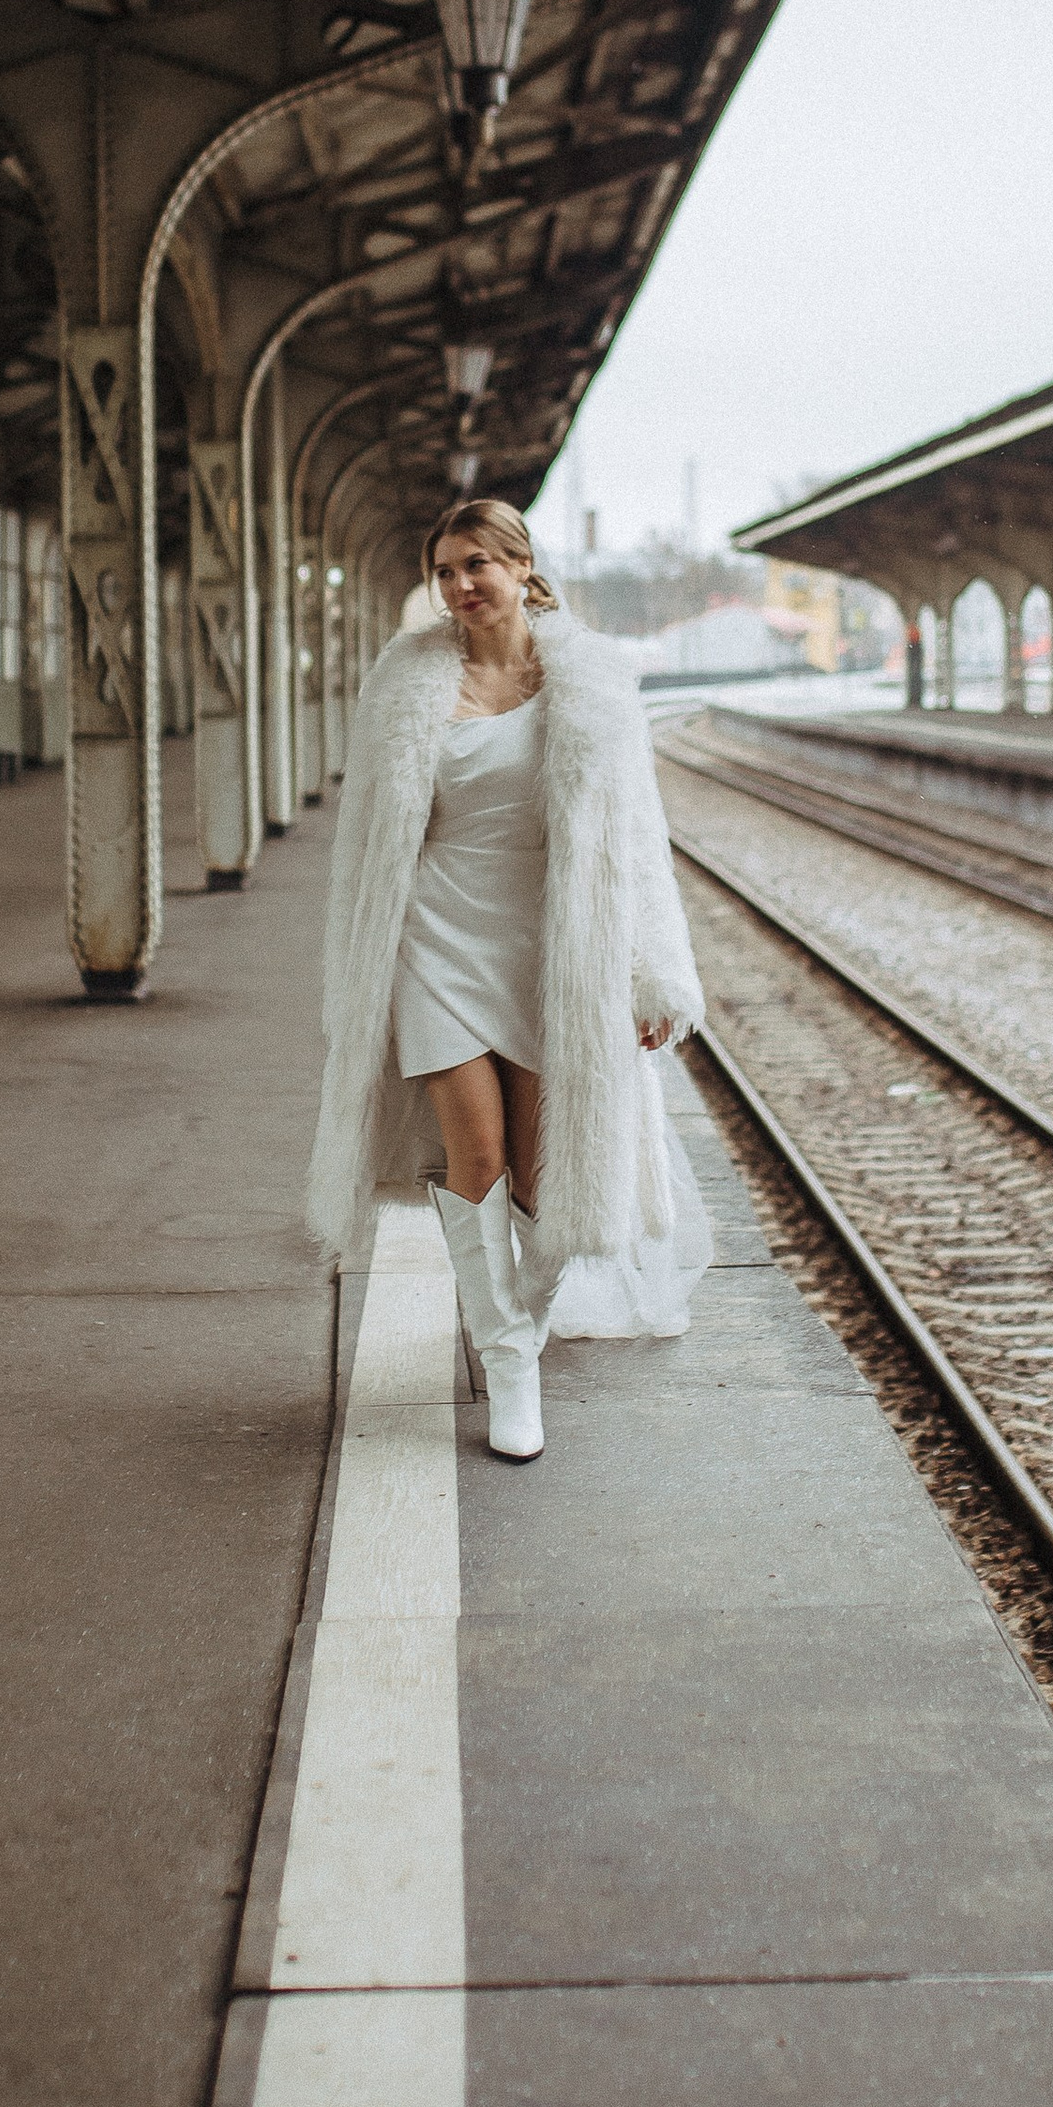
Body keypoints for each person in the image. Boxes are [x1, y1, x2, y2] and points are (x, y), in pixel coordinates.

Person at [307, 498, 709, 1462]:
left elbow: (636, 837)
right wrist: (357, 971)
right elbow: (365, 843)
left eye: (476, 565)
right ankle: (509, 1361)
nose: (459, 586)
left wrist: (652, 973)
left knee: (545, 1176)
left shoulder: (594, 681)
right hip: (436, 935)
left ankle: (523, 1317)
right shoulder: (405, 681)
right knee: (476, 1155)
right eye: (445, 571)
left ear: (523, 566)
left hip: (553, 946)